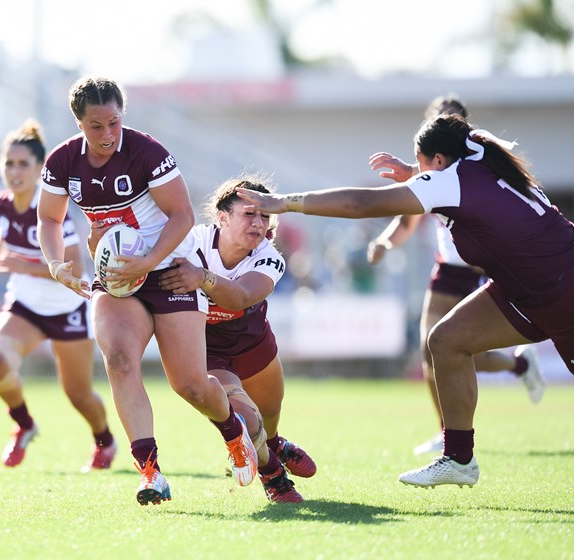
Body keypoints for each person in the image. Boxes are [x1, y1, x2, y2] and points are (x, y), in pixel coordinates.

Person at [236, 113, 574, 488]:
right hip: (528, 289)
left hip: (561, 290)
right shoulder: (479, 154)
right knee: (445, 340)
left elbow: (359, 203)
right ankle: (459, 458)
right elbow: (449, 179)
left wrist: (284, 202)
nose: (419, 172)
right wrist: (414, 171)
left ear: (439, 160)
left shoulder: (450, 180)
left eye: (421, 162)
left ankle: (460, 455)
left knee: (446, 340)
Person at [37, 76, 258, 506]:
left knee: (191, 386)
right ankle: (150, 473)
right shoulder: (63, 161)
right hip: (118, 276)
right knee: (118, 359)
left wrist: (148, 260)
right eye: (96, 126)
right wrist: (55, 262)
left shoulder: (146, 152)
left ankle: (234, 432)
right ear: (79, 124)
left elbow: (182, 214)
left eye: (114, 122)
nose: (107, 134)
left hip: (170, 269)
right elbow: (49, 218)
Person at [366, 95, 546, 456]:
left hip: (482, 271)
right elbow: (406, 221)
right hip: (447, 271)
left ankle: (519, 365)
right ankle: (447, 432)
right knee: (430, 349)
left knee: (461, 350)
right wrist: (384, 243)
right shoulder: (430, 171)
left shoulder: (480, 161)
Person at [158, 176, 317, 503]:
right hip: (207, 347)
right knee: (246, 417)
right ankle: (274, 478)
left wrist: (202, 277)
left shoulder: (269, 256)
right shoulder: (191, 243)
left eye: (265, 216)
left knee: (268, 416)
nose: (258, 223)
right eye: (249, 214)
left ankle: (275, 444)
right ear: (223, 217)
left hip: (252, 342)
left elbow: (240, 297)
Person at [0, 119, 117, 473]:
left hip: (66, 307)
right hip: (25, 305)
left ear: (40, 168)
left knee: (78, 395)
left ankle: (105, 440)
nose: (15, 171)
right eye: (9, 163)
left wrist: (17, 264)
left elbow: (74, 269)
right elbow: (5, 232)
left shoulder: (51, 207)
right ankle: (24, 424)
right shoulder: (2, 203)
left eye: (23, 164)